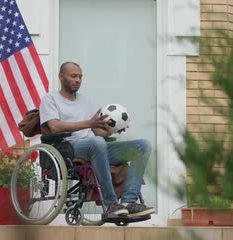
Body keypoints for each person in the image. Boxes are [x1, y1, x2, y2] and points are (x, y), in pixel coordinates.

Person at [39, 61, 155, 218]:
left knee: (142, 145)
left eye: (80, 77)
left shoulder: (84, 100)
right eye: (73, 76)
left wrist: (115, 128)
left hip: (95, 147)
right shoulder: (50, 99)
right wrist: (89, 123)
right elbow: (55, 127)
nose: (78, 80)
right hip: (68, 149)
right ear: (61, 76)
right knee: (97, 143)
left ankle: (129, 202)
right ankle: (111, 204)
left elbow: (96, 131)